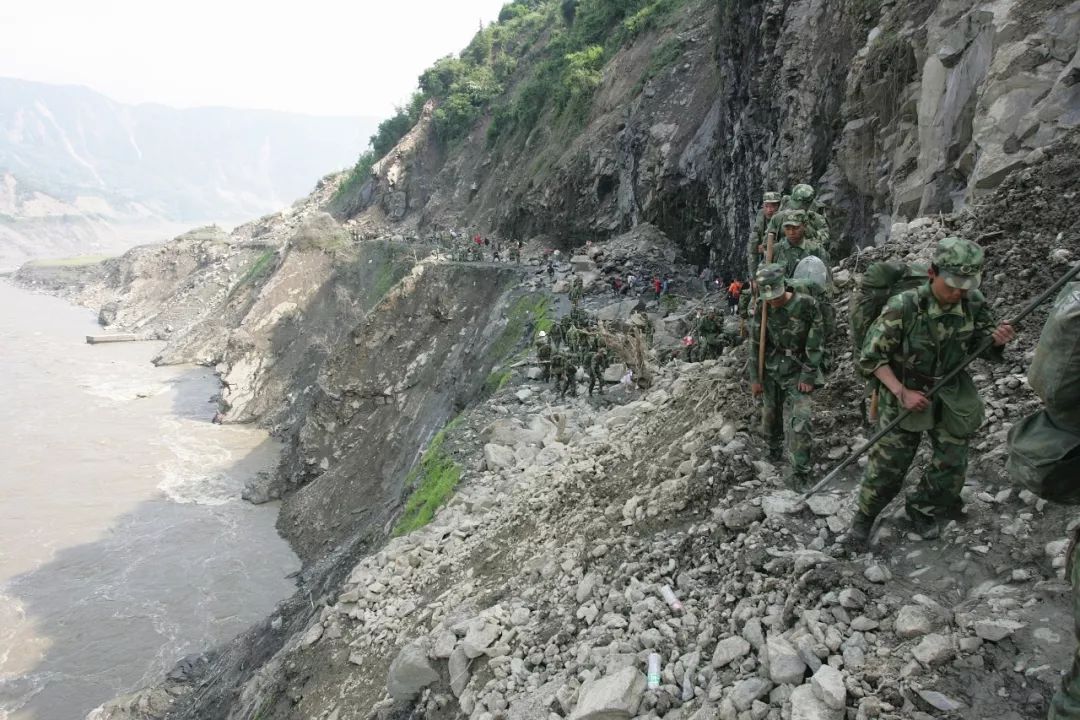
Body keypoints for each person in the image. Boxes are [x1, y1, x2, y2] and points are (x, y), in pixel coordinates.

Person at [848, 237, 1016, 545]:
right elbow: (871, 359)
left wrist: (996, 340)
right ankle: (864, 519)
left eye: (964, 286)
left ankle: (923, 507)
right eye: (951, 285)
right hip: (904, 387)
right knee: (889, 465)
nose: (957, 293)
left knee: (953, 462)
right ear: (931, 274)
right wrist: (901, 392)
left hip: (949, 387)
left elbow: (983, 345)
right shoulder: (904, 307)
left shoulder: (973, 302)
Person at [748, 263, 826, 489]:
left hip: (798, 367)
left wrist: (809, 375)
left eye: (776, 295)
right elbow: (754, 346)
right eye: (768, 296)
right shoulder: (762, 308)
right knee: (770, 414)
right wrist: (756, 378)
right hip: (772, 368)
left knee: (802, 419)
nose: (773, 300)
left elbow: (816, 342)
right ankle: (773, 449)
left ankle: (800, 472)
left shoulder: (807, 305)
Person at [766, 183, 832, 254]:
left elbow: (825, 240)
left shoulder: (816, 219)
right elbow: (768, 240)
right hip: (783, 256)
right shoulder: (778, 217)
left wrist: (807, 242)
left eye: (800, 205)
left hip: (809, 256)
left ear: (808, 204)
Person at [748, 191, 782, 275]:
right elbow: (753, 248)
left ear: (779, 206)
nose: (769, 210)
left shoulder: (783, 218)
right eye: (766, 206)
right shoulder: (761, 218)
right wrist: (753, 277)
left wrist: (765, 247)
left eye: (773, 206)